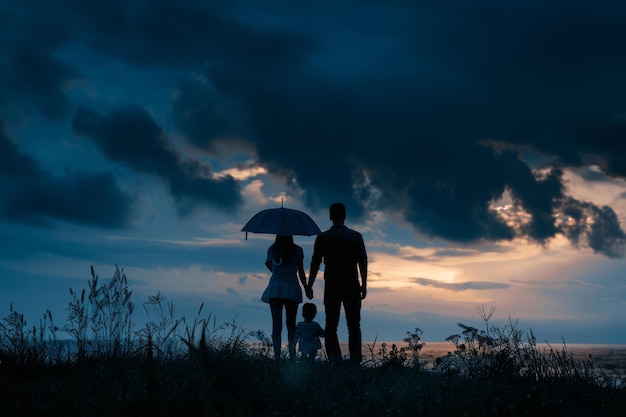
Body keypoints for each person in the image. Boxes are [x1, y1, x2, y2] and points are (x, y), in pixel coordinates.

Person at [306, 202, 367, 364]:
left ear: (331, 216)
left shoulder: (323, 237)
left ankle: (335, 359)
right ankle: (355, 361)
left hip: (332, 285)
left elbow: (315, 263)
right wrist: (364, 284)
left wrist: (309, 285)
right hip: (352, 284)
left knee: (331, 325)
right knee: (354, 325)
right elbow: (363, 262)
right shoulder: (355, 236)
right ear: (345, 216)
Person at [262, 234, 307, 359]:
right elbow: (301, 272)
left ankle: (277, 354)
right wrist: (307, 287)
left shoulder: (272, 249)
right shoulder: (297, 250)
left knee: (276, 324)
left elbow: (273, 268)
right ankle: (292, 353)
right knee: (291, 323)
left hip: (275, 289)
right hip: (291, 289)